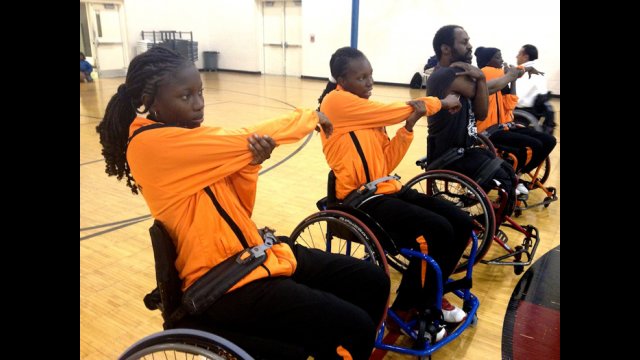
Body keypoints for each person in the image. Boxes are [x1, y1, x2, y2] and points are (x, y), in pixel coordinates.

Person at [95, 46, 390, 360]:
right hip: (223, 282)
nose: (199, 105)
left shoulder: (183, 136)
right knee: (353, 325)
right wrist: (307, 117)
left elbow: (239, 208)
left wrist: (250, 165)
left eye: (201, 93)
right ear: (148, 101)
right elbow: (244, 136)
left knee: (372, 281)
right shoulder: (149, 145)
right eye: (186, 96)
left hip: (250, 255)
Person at [316, 46, 472, 341]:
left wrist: (407, 129)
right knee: (436, 230)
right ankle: (411, 307)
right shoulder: (335, 102)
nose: (369, 82)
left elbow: (386, 163)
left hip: (386, 188)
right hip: (358, 200)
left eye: (371, 75)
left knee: (460, 223)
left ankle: (430, 295)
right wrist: (439, 102)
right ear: (340, 80)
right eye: (361, 78)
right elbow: (393, 110)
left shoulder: (364, 112)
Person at [426, 25, 519, 207]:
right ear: (446, 48)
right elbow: (487, 91)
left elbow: (481, 112)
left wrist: (483, 79)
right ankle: (488, 228)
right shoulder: (444, 75)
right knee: (506, 182)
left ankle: (485, 218)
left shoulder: (460, 72)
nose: (470, 46)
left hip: (464, 149)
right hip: (448, 154)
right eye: (464, 42)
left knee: (510, 174)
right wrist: (506, 77)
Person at [474, 46, 556, 184]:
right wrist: (523, 71)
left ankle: (516, 174)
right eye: (498, 57)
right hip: (489, 131)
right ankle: (514, 176)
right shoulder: (486, 72)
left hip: (505, 125)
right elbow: (514, 72)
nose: (502, 60)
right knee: (536, 144)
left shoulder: (500, 77)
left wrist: (513, 80)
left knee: (549, 140)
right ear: (488, 60)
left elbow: (510, 104)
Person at [515, 44, 556, 135]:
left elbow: (518, 99)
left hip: (522, 111)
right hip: (534, 111)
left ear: (525, 57)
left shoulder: (525, 73)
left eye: (519, 54)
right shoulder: (540, 70)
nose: (516, 56)